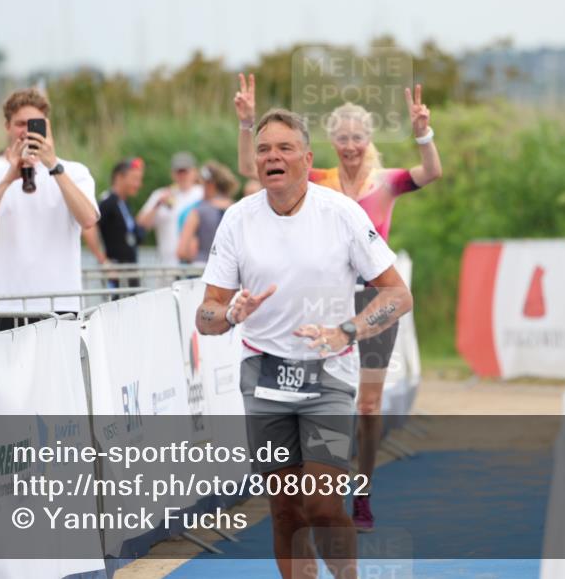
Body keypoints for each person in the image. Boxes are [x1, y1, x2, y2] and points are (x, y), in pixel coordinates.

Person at [197, 108, 413, 579]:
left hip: (328, 371)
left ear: (307, 158)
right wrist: (231, 315)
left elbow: (397, 294)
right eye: (263, 149)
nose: (272, 156)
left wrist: (347, 331)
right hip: (263, 375)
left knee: (319, 501)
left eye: (284, 148)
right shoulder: (237, 220)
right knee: (285, 509)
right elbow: (206, 315)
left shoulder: (341, 214)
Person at [234, 73, 442, 532]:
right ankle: (330, 478)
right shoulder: (320, 178)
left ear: (369, 140)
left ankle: (362, 489)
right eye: (343, 138)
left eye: (358, 138)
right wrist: (248, 124)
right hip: (326, 300)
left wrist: (423, 132)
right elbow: (259, 170)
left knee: (369, 406)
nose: (350, 146)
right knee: (336, 405)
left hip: (373, 300)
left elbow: (431, 173)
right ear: (329, 142)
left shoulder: (386, 181)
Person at [0, 88, 99, 332]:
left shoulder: (74, 171)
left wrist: (53, 166)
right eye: (20, 124)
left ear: (47, 126)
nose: (26, 131)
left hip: (59, 306)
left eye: (34, 124)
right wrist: (7, 180)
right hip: (4, 307)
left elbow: (88, 219)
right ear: (8, 127)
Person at [85, 157, 146, 290]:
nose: (138, 184)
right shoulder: (108, 202)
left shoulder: (124, 202)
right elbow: (88, 227)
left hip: (129, 270)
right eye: (135, 179)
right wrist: (104, 262)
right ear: (119, 177)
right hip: (116, 272)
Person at [136, 151, 203, 265]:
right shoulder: (160, 195)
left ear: (194, 172)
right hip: (168, 266)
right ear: (172, 174)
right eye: (178, 172)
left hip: (196, 264)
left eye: (185, 171)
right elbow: (140, 224)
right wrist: (157, 205)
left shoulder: (202, 194)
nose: (182, 175)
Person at [177, 161, 237, 264]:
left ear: (209, 184)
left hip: (202, 270)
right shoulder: (237, 208)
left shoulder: (198, 211)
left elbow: (181, 251)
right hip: (231, 271)